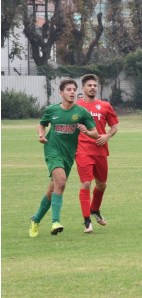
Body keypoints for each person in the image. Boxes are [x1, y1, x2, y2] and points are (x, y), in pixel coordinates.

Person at [29, 79, 98, 237]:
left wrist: (86, 132)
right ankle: (55, 222)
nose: (72, 92)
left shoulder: (81, 112)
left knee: (53, 190)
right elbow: (42, 124)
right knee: (61, 182)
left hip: (68, 155)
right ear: (61, 93)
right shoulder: (52, 110)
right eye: (68, 89)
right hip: (52, 151)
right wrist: (41, 134)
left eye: (74, 89)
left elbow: (95, 133)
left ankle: (36, 219)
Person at [75, 74, 120, 233]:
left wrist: (106, 136)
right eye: (89, 85)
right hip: (82, 150)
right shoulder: (76, 107)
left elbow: (114, 127)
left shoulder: (105, 106)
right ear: (83, 88)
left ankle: (95, 209)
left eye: (95, 85)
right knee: (86, 183)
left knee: (101, 185)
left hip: (100, 150)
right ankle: (87, 221)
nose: (92, 87)